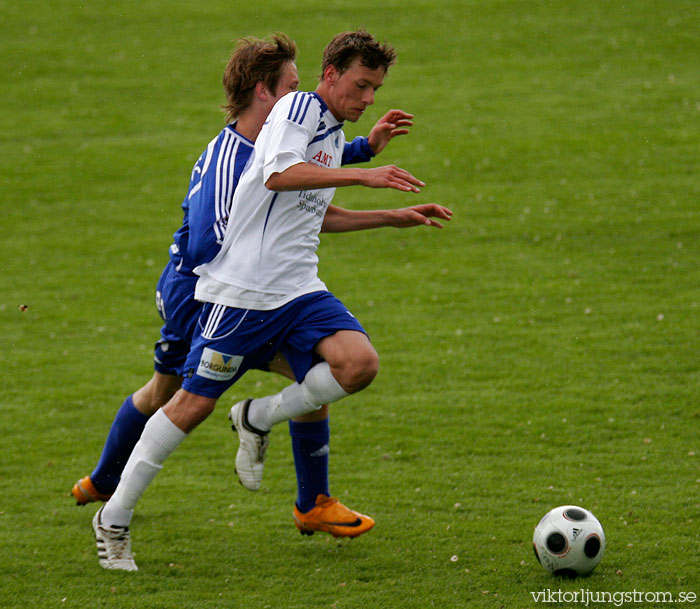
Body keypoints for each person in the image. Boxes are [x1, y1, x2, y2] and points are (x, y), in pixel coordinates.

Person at [92, 29, 452, 571]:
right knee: (190, 404)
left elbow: (311, 211)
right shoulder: (299, 110)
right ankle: (113, 517)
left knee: (358, 365)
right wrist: (365, 176)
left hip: (298, 289)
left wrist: (392, 213)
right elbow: (281, 174)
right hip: (244, 294)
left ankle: (259, 418)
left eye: (376, 88)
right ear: (329, 77)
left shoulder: (327, 129)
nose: (369, 97)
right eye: (361, 85)